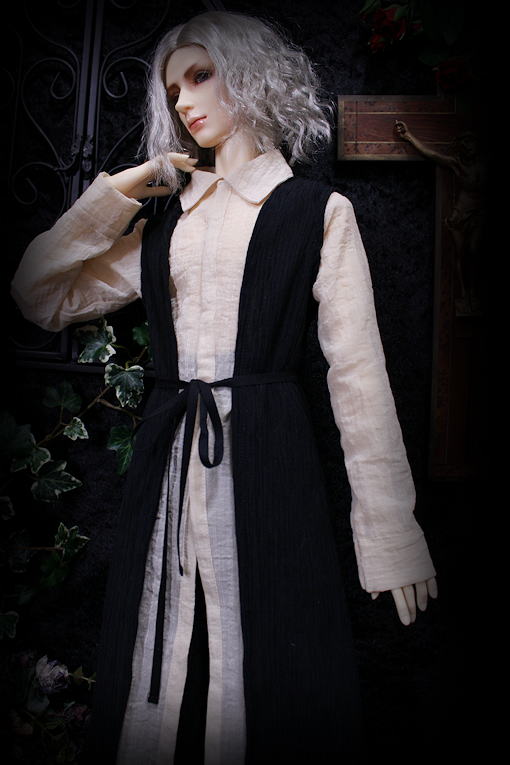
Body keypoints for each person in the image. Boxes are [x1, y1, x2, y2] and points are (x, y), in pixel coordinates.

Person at [10, 10, 437, 765]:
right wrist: (117, 193)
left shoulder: (316, 212)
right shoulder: (167, 222)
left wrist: (391, 536)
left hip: (271, 449)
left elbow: (359, 378)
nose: (184, 101)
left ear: (250, 74)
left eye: (200, 75)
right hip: (169, 452)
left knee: (274, 645)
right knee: (152, 641)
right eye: (174, 88)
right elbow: (39, 295)